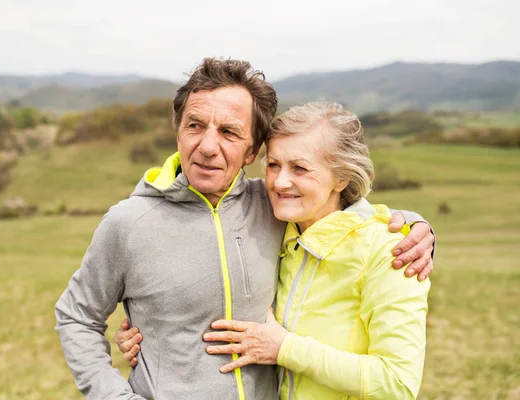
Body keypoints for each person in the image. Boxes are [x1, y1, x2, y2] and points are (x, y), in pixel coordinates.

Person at [55, 58, 434, 400]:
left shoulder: (275, 207)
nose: (207, 146)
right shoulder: (127, 223)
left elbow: (343, 215)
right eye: (195, 125)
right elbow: (76, 317)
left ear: (251, 151)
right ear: (178, 132)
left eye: (229, 132)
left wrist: (414, 227)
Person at [199, 101, 430, 399]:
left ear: (342, 177)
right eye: (273, 165)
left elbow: (397, 383)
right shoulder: (274, 228)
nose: (280, 182)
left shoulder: (390, 250)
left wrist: (284, 348)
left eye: (300, 168)